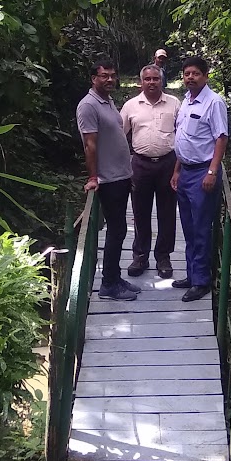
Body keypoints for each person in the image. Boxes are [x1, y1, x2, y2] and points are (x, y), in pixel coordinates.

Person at [75, 59, 139, 301]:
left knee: (119, 229)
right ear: (94, 78)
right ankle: (108, 285)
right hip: (108, 179)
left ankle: (115, 276)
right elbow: (89, 145)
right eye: (104, 76)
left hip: (121, 175)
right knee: (116, 229)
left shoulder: (108, 101)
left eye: (112, 75)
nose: (110, 79)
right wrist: (93, 176)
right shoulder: (88, 106)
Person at [170, 56, 227, 303]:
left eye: (195, 73)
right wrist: (176, 170)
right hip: (185, 171)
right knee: (189, 228)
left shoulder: (214, 102)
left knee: (202, 229)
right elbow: (183, 139)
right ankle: (192, 275)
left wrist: (212, 172)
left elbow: (221, 138)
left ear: (205, 76)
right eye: (186, 74)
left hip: (203, 172)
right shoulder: (186, 101)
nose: (190, 77)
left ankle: (202, 281)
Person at [120, 64, 179, 278]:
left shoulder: (174, 104)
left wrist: (178, 169)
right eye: (148, 79)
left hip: (168, 163)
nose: (152, 82)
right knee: (140, 212)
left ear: (162, 80)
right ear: (141, 82)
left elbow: (183, 135)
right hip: (140, 164)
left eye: (155, 79)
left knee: (167, 212)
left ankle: (163, 257)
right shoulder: (130, 106)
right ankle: (140, 256)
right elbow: (120, 135)